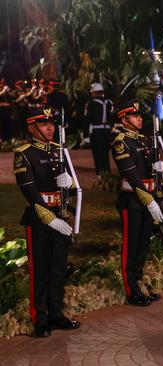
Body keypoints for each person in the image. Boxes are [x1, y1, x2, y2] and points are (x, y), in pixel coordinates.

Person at [13, 106, 81, 337]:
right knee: (40, 270)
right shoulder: (25, 153)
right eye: (43, 124)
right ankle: (39, 319)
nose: (50, 128)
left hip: (61, 217)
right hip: (40, 220)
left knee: (58, 269)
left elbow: (73, 191)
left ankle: (56, 314)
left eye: (51, 123)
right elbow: (30, 192)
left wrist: (69, 182)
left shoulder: (59, 151)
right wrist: (50, 219)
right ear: (32, 127)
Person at [111, 100, 163, 306]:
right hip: (132, 200)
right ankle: (131, 289)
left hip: (148, 199)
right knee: (131, 245)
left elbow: (150, 168)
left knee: (143, 244)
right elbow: (131, 175)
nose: (140, 118)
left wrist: (160, 167)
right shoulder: (121, 142)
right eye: (135, 116)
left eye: (140, 115)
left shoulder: (144, 140)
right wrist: (148, 199)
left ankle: (139, 283)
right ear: (124, 120)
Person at [84, 82, 114, 177]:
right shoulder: (110, 102)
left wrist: (85, 134)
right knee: (105, 153)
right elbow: (113, 118)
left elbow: (87, 119)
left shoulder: (91, 103)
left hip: (96, 132)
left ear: (94, 92)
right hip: (107, 131)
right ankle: (107, 172)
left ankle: (100, 174)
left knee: (97, 153)